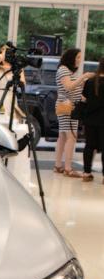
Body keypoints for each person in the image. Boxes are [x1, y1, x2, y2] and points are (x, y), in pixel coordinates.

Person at [53, 48, 94, 177]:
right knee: (71, 137)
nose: (79, 60)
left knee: (63, 137)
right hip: (68, 107)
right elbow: (68, 87)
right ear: (71, 58)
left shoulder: (66, 70)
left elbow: (71, 88)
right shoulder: (64, 70)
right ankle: (68, 168)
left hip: (66, 105)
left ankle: (58, 165)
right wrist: (84, 77)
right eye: (77, 57)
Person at [63, 57, 104, 183]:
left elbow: (84, 99)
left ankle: (86, 173)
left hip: (90, 119)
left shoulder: (90, 81)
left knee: (89, 146)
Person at [0, 44, 26, 123]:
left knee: (11, 122)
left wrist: (18, 68)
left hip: (10, 97)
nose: (5, 54)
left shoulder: (16, 68)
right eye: (2, 51)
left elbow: (23, 84)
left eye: (7, 52)